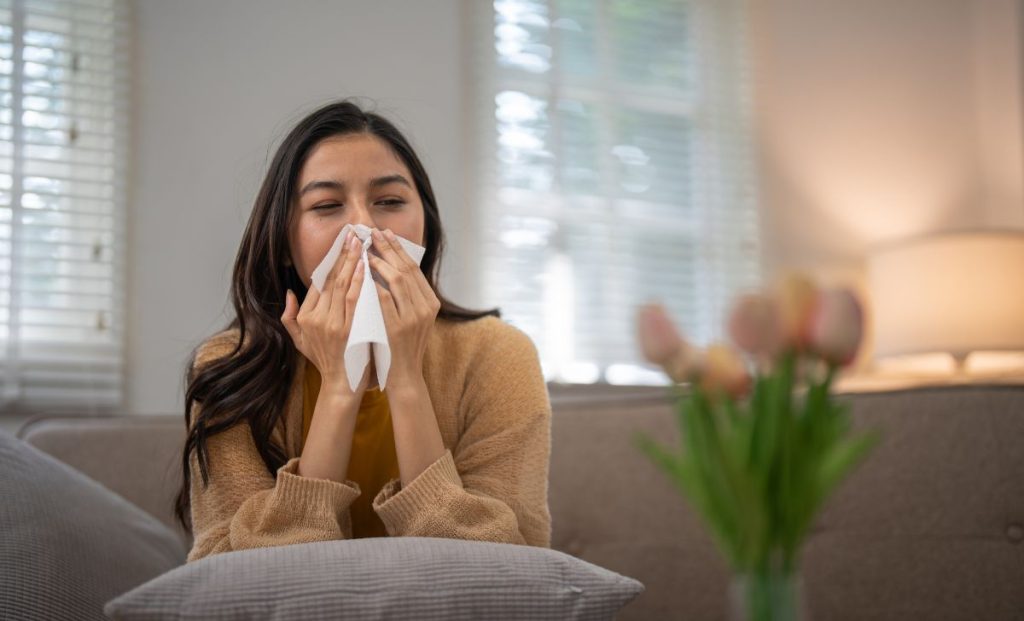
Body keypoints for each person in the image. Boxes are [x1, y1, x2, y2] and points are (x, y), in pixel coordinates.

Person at [173, 100, 552, 562]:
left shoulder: (498, 354)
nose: (364, 228)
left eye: (390, 201)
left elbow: (513, 564)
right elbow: (227, 573)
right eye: (327, 205)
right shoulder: (228, 366)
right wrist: (340, 384)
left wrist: (406, 377)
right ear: (285, 245)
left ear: (426, 225)